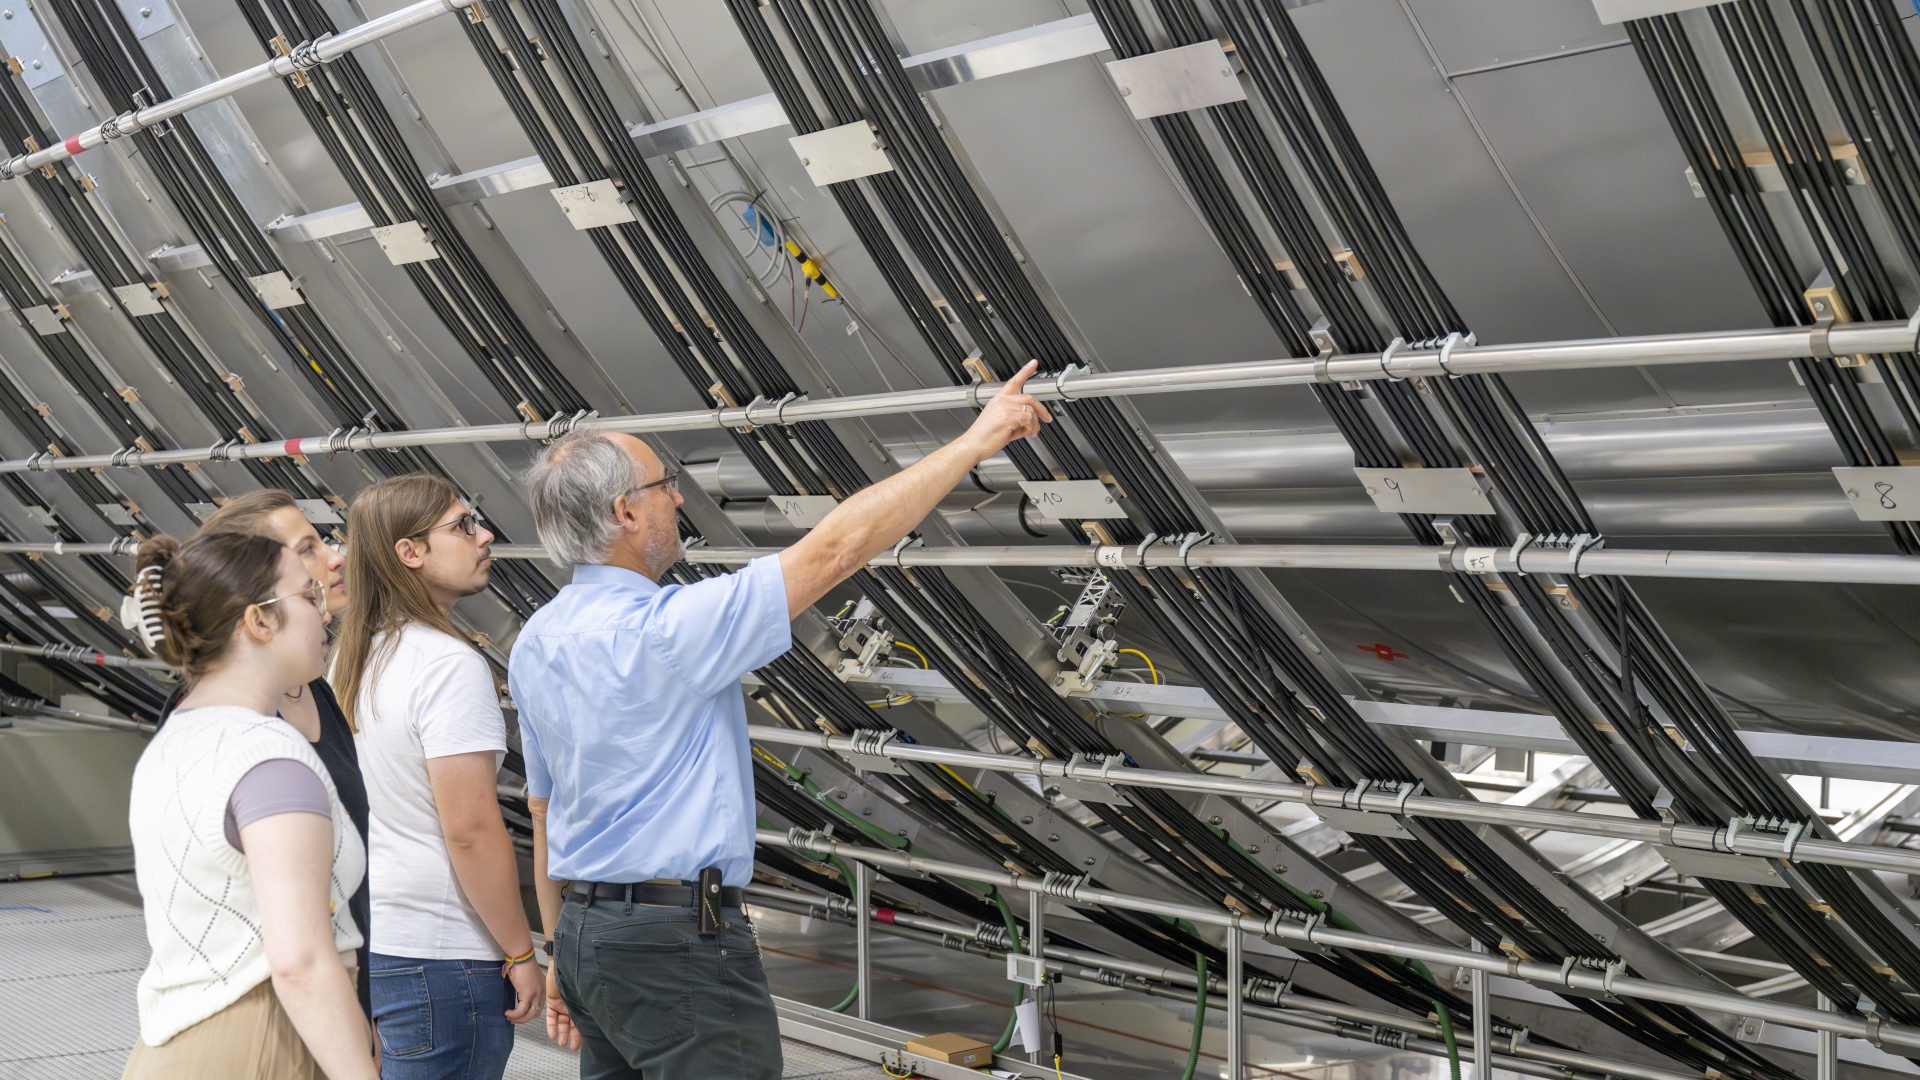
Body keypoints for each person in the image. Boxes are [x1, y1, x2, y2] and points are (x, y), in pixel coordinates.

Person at [511, 360, 1053, 1079]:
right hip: (677, 944)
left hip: (589, 935)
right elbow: (836, 551)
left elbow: (544, 807)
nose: (677, 496)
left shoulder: (535, 641)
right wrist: (971, 444)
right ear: (624, 514)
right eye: (662, 484)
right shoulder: (669, 631)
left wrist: (560, 949)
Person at [122, 531, 374, 1080]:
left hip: (176, 1043)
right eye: (307, 597)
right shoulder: (267, 755)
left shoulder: (176, 740)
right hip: (266, 1041)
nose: (325, 613)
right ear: (258, 620)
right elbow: (300, 959)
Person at [332, 474, 542, 1079]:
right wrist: (521, 951)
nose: (485, 535)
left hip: (381, 938)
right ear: (410, 552)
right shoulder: (449, 665)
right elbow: (471, 830)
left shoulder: (353, 656)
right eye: (462, 525)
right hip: (447, 955)